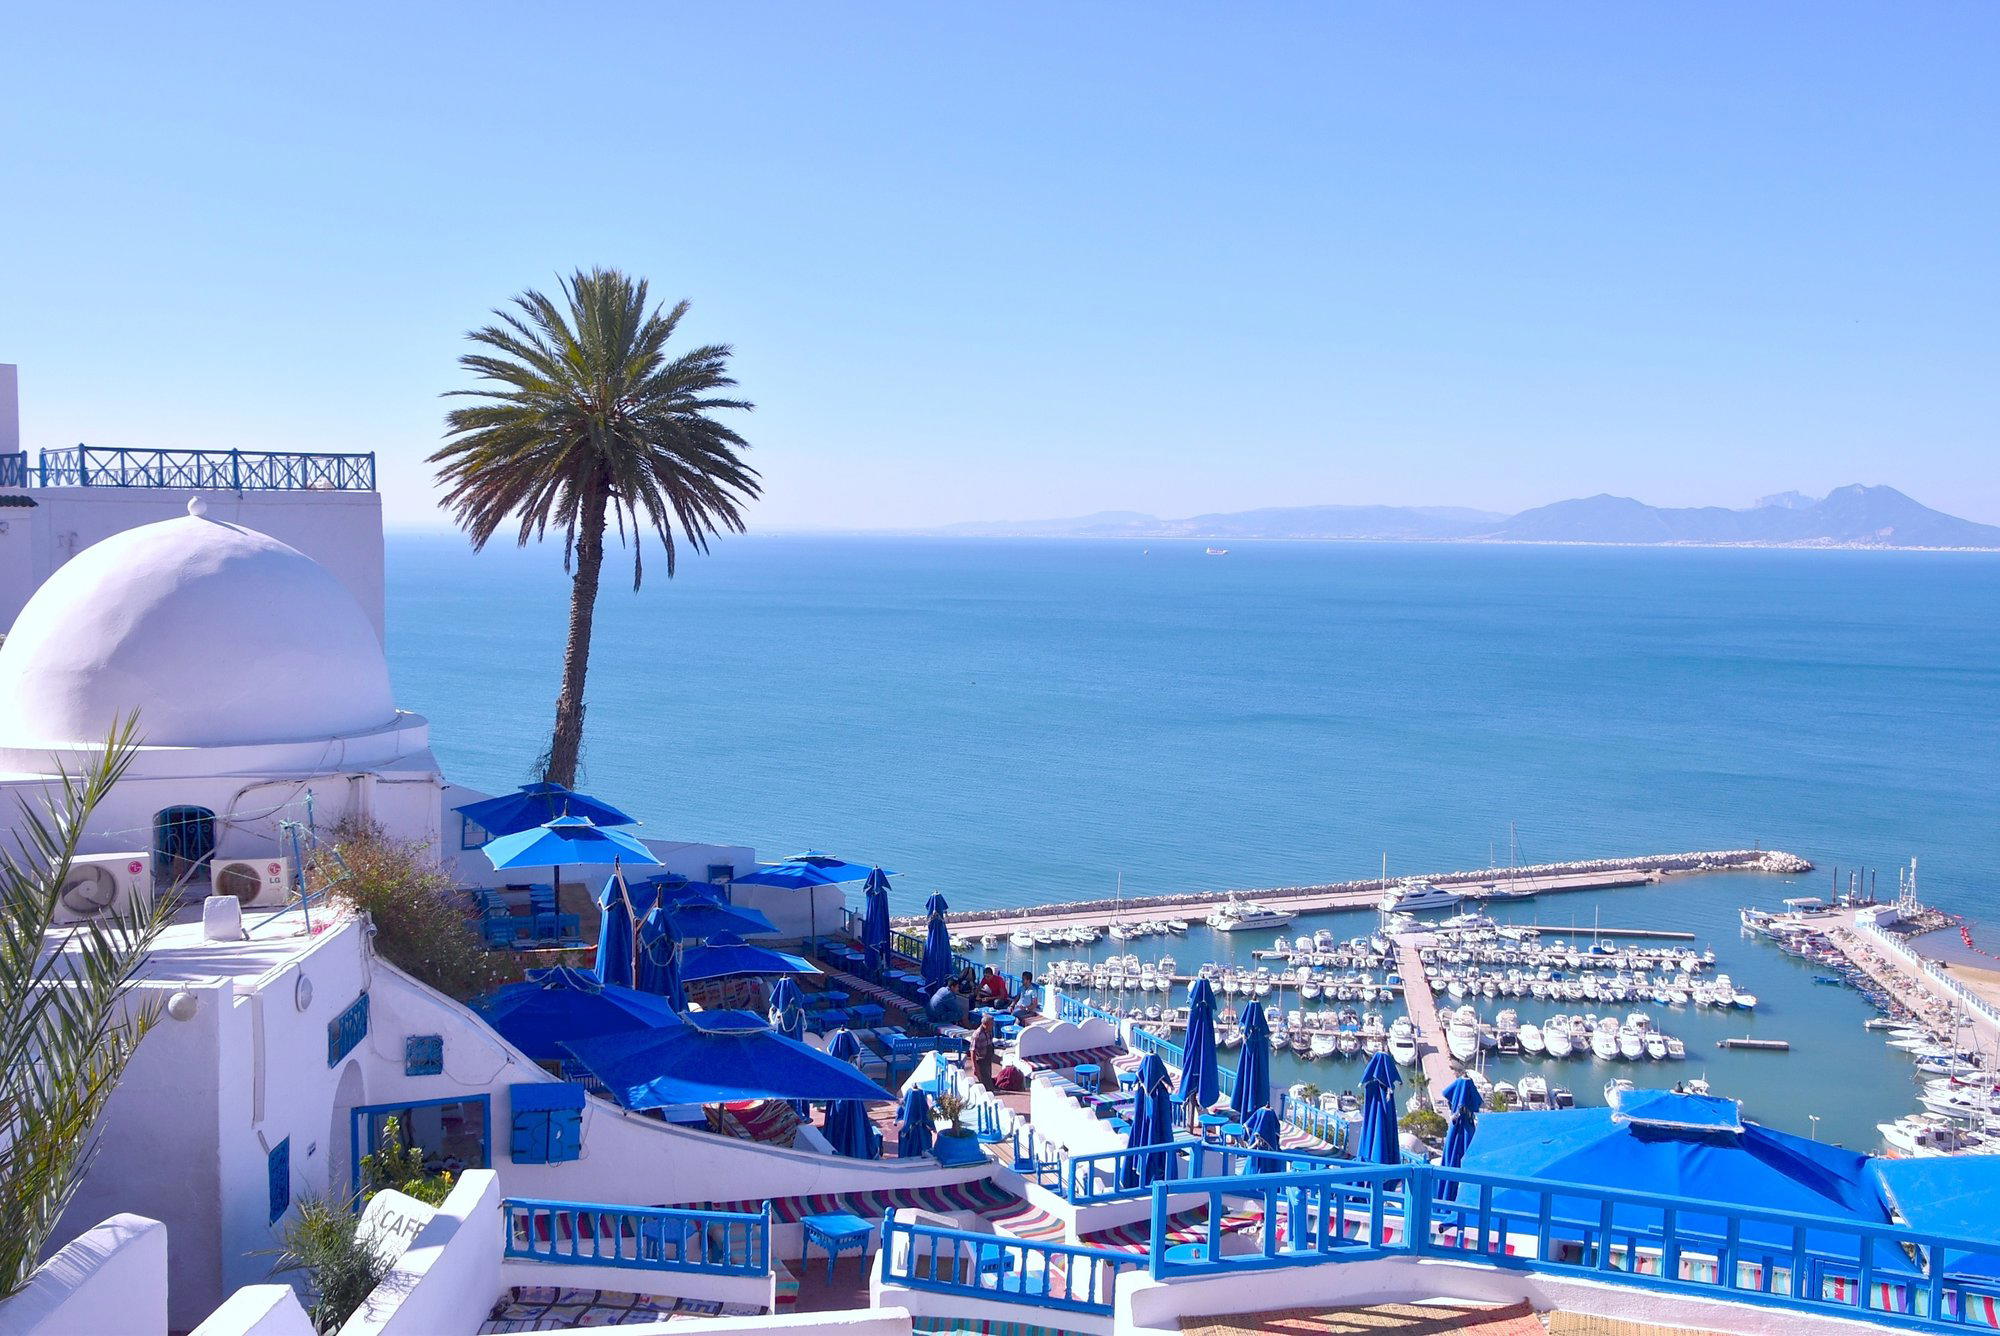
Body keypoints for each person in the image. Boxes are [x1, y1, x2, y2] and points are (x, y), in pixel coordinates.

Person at [969, 1014, 997, 1090]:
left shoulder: (990, 1031)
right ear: (985, 1024)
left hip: (988, 1057)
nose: (993, 1026)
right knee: (985, 1081)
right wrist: (974, 1066)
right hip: (981, 1059)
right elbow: (972, 1051)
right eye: (991, 1024)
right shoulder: (977, 1035)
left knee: (988, 1075)